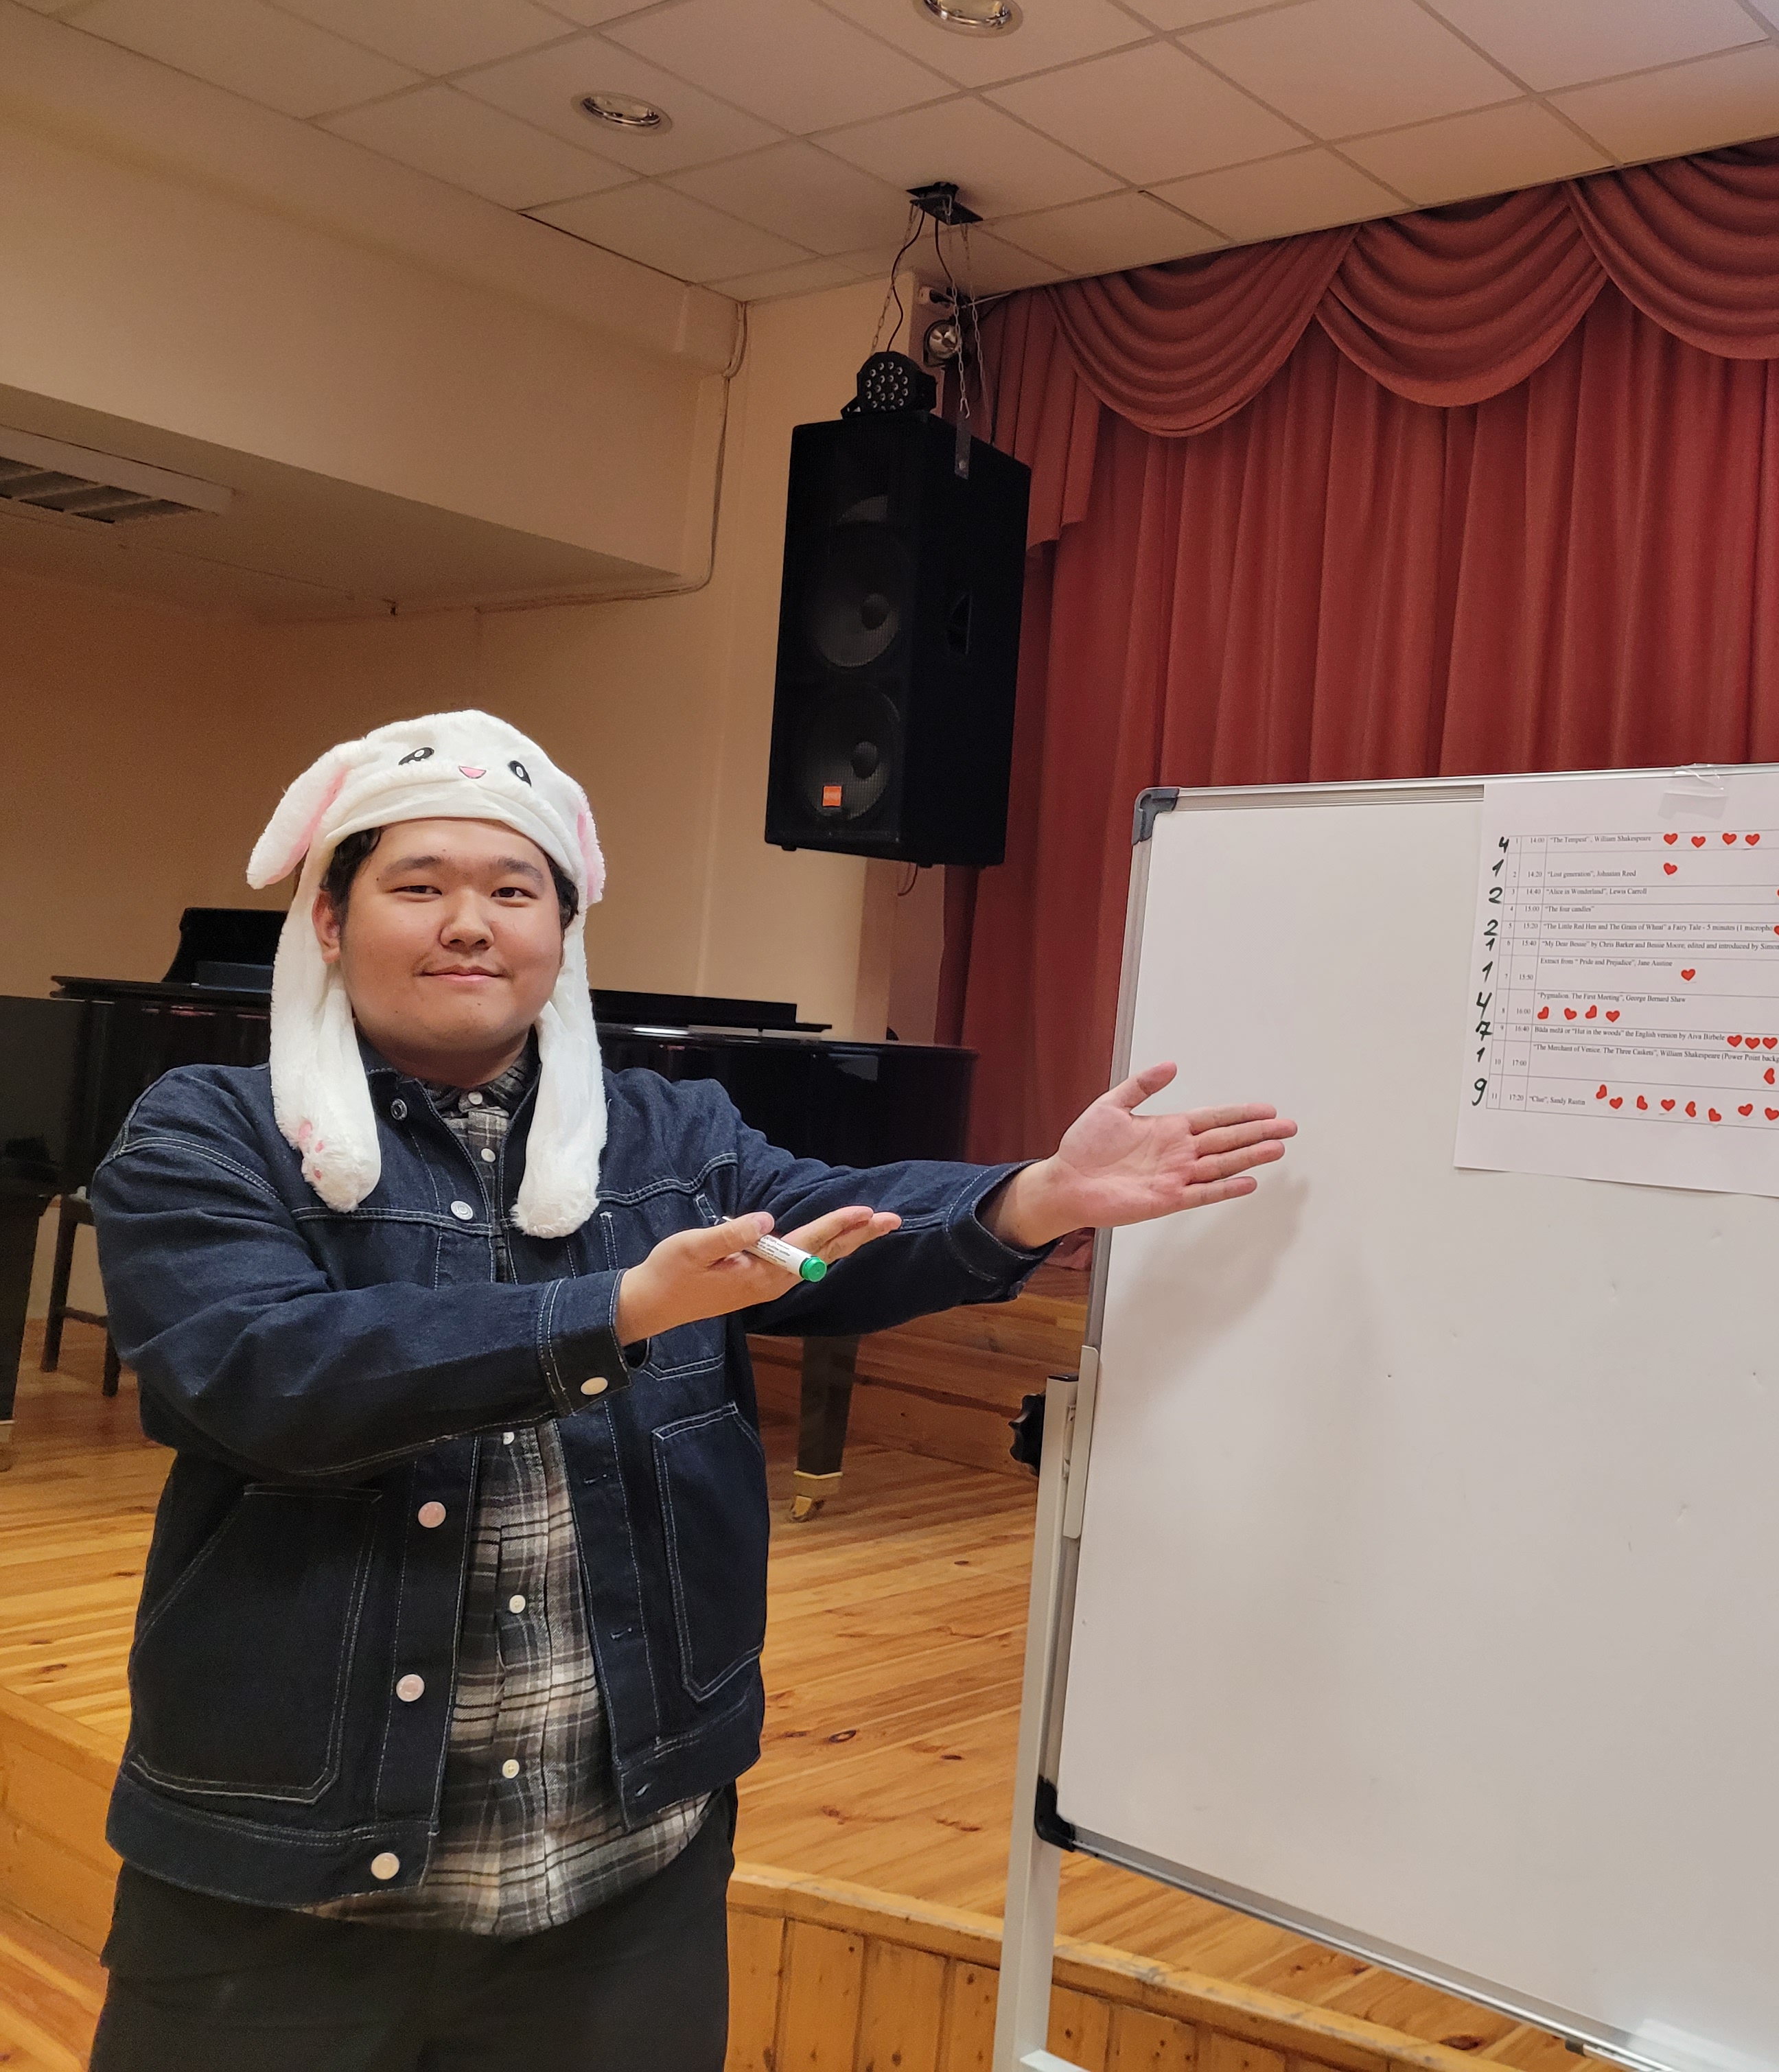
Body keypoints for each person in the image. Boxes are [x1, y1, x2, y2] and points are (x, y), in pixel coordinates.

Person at [82, 710, 1294, 2072]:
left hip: (626, 1870)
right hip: (285, 1882)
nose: (470, 924)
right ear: (327, 917)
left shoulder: (671, 1133)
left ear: (562, 931)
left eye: (514, 891)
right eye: (419, 885)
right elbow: (257, 1370)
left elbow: (830, 1231)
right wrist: (615, 1311)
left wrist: (1034, 1199)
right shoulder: (208, 1129)